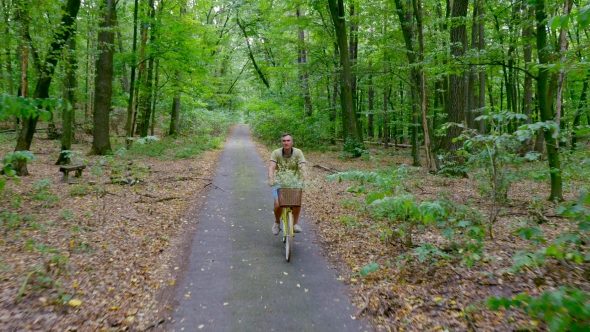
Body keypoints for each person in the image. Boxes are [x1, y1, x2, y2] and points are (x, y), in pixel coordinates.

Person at [268, 133, 306, 235]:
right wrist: (271, 179)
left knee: (297, 202)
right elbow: (271, 167)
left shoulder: (298, 152)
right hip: (280, 182)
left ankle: (295, 224)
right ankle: (277, 222)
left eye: (288, 140)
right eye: (284, 141)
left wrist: (304, 178)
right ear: (282, 143)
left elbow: (303, 167)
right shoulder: (276, 153)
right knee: (278, 204)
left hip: (295, 181)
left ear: (292, 142)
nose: (286, 142)